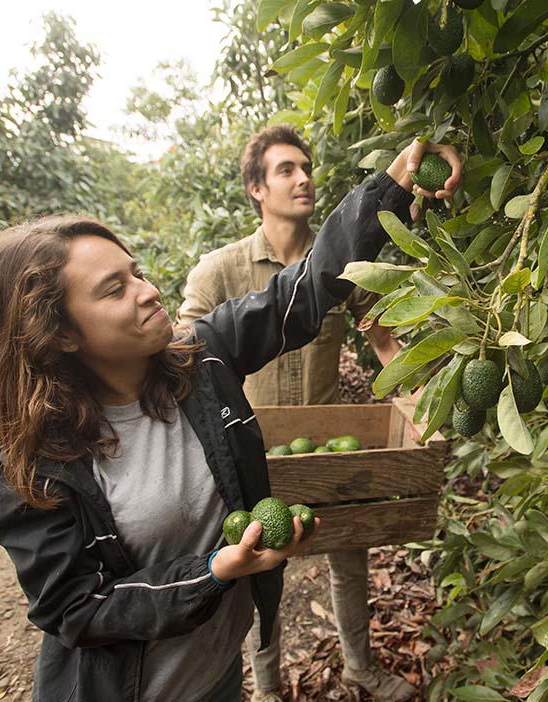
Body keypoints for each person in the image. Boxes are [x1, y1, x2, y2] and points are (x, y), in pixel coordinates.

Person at [0, 139, 462, 702]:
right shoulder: (34, 467)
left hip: (219, 674)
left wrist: (393, 185)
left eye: (138, 272)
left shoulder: (199, 361)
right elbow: (73, 607)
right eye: (114, 289)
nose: (149, 292)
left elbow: (304, 289)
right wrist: (213, 572)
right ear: (60, 334)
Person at [178, 127, 460, 702]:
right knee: (258, 571)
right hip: (253, 452)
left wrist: (420, 402)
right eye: (285, 170)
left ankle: (359, 664)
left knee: (348, 555)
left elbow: (383, 340)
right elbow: (185, 361)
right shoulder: (219, 271)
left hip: (329, 447)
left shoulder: (340, 262)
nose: (303, 178)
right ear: (257, 188)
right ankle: (266, 686)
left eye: (306, 166)